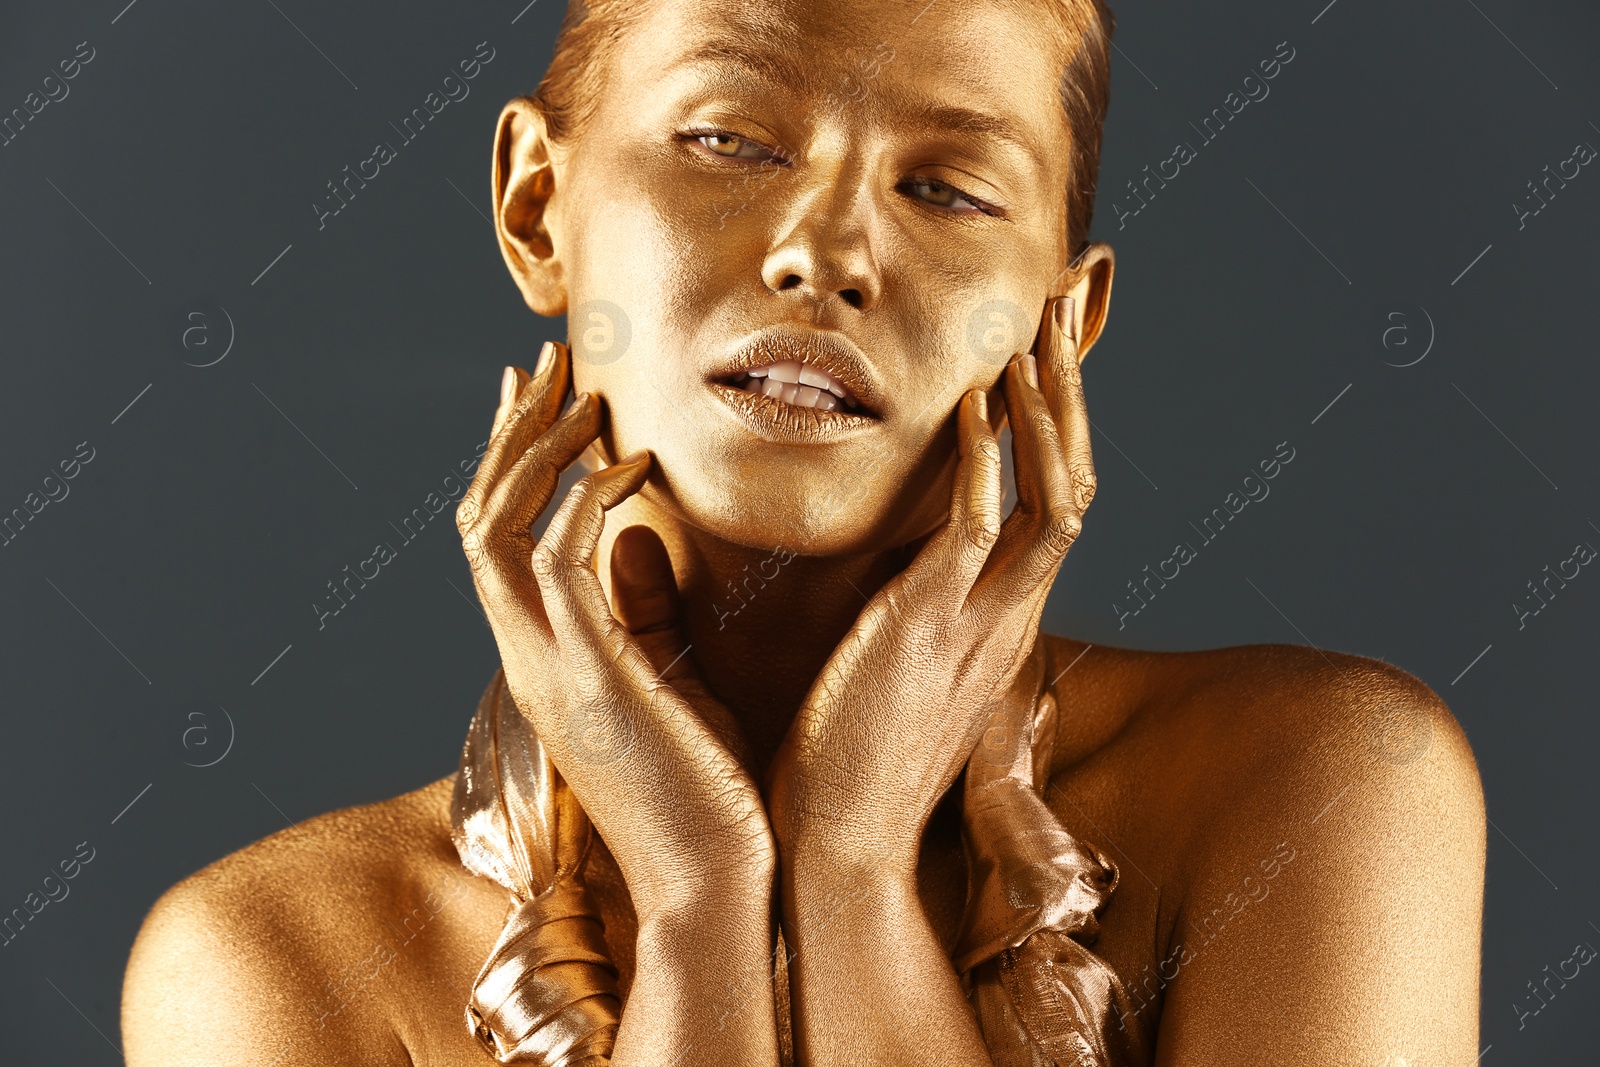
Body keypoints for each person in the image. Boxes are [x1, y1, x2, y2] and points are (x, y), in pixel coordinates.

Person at [122, 0, 1486, 1063]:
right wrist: (703, 900)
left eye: (947, 188)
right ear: (538, 205)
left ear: (1063, 328)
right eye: (730, 140)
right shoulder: (273, 965)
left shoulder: (1316, 792)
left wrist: (848, 873)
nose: (823, 249)